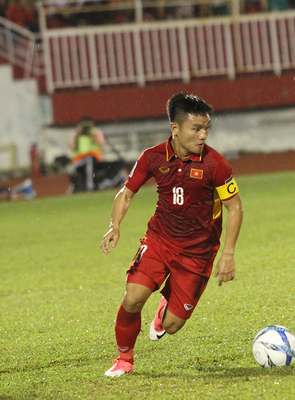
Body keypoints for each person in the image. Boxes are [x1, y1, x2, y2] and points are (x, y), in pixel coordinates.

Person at [100, 92, 243, 377]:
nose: (203, 135)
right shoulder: (152, 157)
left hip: (198, 252)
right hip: (160, 240)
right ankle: (124, 359)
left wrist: (227, 254)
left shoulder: (216, 164)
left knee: (171, 326)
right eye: (196, 128)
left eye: (206, 129)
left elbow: (235, 207)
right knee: (132, 298)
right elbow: (126, 193)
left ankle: (167, 301)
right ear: (174, 128)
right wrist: (115, 225)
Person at [69, 116, 106, 192]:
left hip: (95, 160)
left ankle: (93, 184)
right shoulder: (76, 133)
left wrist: (92, 136)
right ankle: (90, 186)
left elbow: (102, 147)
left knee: (90, 160)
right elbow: (72, 148)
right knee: (89, 160)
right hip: (80, 161)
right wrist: (77, 135)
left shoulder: (96, 132)